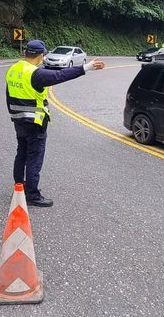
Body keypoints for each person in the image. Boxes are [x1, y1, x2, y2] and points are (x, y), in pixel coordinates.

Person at [6, 40, 105, 207]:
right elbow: (59, 76)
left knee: (21, 153)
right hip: (35, 123)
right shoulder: (35, 74)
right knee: (34, 159)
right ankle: (32, 195)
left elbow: (8, 96)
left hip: (18, 121)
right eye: (43, 55)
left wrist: (14, 115)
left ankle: (19, 186)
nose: (44, 58)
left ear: (26, 54)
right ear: (40, 55)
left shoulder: (13, 69)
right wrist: (86, 67)